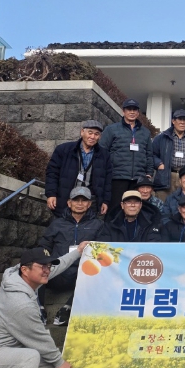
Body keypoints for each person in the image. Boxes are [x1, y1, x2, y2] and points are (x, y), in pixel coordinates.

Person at [37, 187, 103, 327]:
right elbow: (45, 245)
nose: (79, 203)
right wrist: (44, 258)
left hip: (81, 273)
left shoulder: (98, 225)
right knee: (35, 266)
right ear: (69, 203)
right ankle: (38, 309)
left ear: (89, 204)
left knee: (97, 275)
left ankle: (67, 308)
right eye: (76, 200)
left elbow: (102, 250)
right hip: (58, 270)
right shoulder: (57, 224)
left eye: (83, 200)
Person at [45, 119, 111, 217]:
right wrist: (51, 194)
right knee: (63, 224)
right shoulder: (63, 150)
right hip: (66, 197)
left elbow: (107, 180)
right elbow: (52, 173)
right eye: (90, 133)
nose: (92, 137)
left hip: (91, 200)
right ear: (82, 132)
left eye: (96, 134)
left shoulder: (105, 155)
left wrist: (105, 201)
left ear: (100, 136)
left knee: (89, 225)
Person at [99, 98, 154, 211]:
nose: (132, 112)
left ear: (138, 113)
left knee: (135, 209)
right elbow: (102, 152)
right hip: (117, 177)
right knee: (115, 209)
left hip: (138, 178)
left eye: (134, 110)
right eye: (129, 109)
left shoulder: (145, 132)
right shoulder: (111, 129)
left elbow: (149, 154)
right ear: (123, 111)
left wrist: (149, 172)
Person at [152, 109, 185, 201]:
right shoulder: (161, 138)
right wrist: (159, 164)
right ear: (173, 121)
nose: (182, 122)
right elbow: (152, 154)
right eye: (180, 119)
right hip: (166, 175)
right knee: (163, 205)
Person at [97, 191, 162, 242]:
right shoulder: (110, 225)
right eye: (128, 202)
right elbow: (104, 247)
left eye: (136, 202)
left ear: (140, 205)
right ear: (122, 205)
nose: (132, 205)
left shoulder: (151, 224)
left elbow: (154, 246)